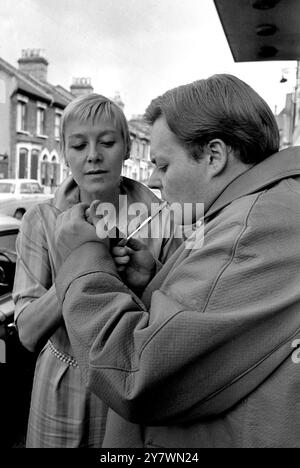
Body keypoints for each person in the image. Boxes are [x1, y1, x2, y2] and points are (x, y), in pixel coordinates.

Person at [54, 75, 300, 448]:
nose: (153, 179)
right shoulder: (252, 211)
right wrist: (150, 284)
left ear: (214, 156)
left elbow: (135, 374)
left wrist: (83, 256)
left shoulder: (253, 229)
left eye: (164, 165)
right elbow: (210, 315)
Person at [13, 93, 179, 448]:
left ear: (128, 147)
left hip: (131, 384)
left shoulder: (163, 218)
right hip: (60, 382)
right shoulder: (39, 220)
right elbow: (26, 333)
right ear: (63, 152)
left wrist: (147, 277)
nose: (93, 156)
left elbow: (180, 319)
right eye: (78, 145)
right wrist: (84, 263)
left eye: (106, 142)